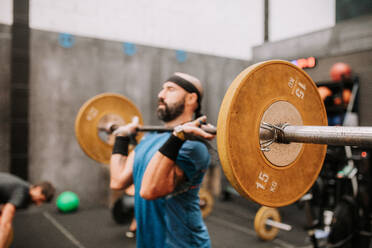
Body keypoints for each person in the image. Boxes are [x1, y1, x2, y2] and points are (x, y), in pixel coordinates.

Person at [109, 72, 215, 248]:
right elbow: (117, 180)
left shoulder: (193, 146)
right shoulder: (149, 138)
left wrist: (177, 137)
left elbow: (149, 190)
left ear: (191, 98)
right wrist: (121, 137)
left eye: (170, 89)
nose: (161, 94)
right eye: (162, 89)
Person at [0, 172, 55, 248]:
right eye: (41, 199)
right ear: (38, 189)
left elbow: (4, 209)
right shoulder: (21, 193)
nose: (39, 204)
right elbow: (5, 223)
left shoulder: (25, 187)